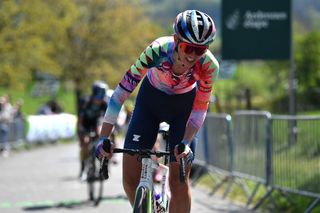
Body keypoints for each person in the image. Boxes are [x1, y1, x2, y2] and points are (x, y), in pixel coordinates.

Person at [96, 10, 219, 212]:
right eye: (189, 47)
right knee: (130, 181)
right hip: (150, 103)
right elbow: (121, 93)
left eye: (200, 50)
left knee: (179, 183)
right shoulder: (158, 50)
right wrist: (103, 137)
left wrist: (186, 143)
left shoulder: (209, 66)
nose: (192, 55)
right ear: (176, 40)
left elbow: (200, 108)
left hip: (184, 108)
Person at [77, 80, 108, 179]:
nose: (99, 99)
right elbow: (80, 119)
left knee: (101, 135)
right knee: (85, 143)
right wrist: (81, 131)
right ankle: (83, 169)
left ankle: (103, 164)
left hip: (96, 123)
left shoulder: (104, 104)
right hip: (85, 124)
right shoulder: (86, 101)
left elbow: (105, 119)